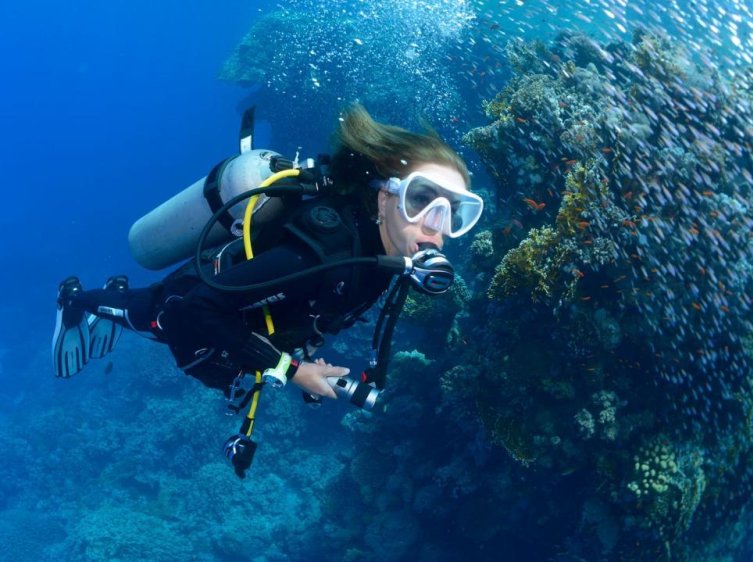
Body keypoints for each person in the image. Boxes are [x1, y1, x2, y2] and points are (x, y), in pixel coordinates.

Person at [52, 105, 483, 470]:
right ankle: (76, 299)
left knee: (147, 307)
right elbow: (194, 311)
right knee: (145, 315)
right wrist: (293, 371)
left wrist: (302, 352)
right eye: (422, 200)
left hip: (241, 314)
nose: (436, 226)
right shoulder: (321, 256)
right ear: (385, 199)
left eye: (455, 214)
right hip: (187, 304)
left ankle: (115, 292)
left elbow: (309, 305)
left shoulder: (385, 254)